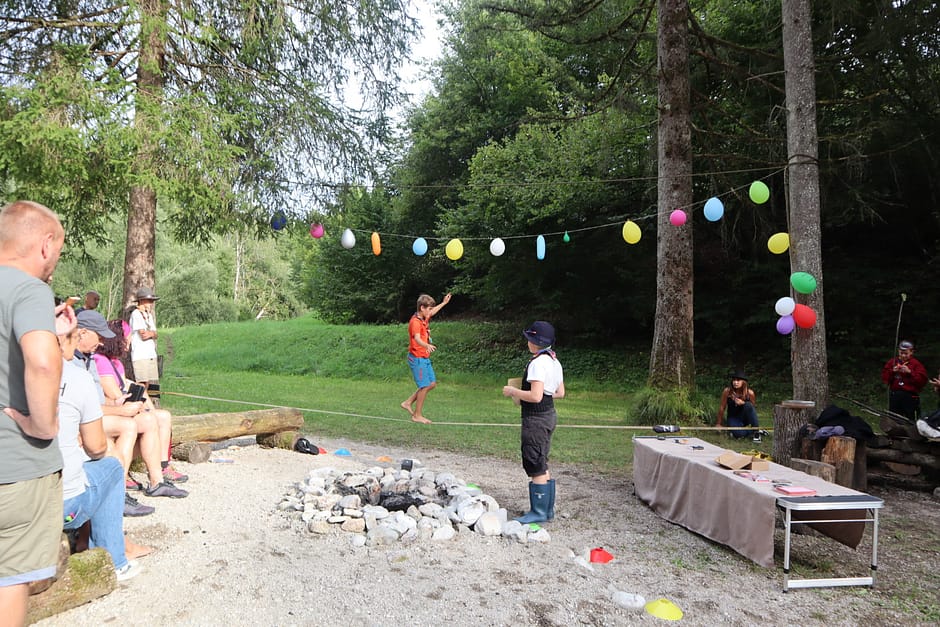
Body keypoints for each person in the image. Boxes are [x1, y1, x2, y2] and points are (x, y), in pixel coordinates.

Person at [0, 200, 73, 626]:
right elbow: (42, 362)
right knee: (9, 579)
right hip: (14, 468)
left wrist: (51, 331)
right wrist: (41, 425)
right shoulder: (29, 289)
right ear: (45, 245)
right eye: (58, 254)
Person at [56, 326, 148, 581]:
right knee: (112, 467)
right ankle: (114, 560)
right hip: (60, 506)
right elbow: (96, 448)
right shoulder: (73, 376)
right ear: (67, 339)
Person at [73, 310, 187, 502]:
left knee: (150, 419)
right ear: (82, 332)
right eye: (98, 337)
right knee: (129, 425)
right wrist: (120, 409)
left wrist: (117, 403)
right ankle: (118, 489)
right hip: (83, 421)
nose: (100, 342)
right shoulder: (83, 361)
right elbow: (83, 406)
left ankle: (157, 479)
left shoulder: (90, 359)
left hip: (98, 413)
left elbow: (99, 399)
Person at [94, 318, 188, 483]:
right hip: (115, 411)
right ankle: (147, 475)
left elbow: (123, 384)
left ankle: (163, 465)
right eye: (127, 339)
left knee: (163, 416)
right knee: (149, 420)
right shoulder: (101, 361)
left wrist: (143, 401)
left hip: (122, 407)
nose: (129, 344)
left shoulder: (116, 362)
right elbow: (116, 394)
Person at [502, 321, 564, 524]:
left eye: (529, 338)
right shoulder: (554, 361)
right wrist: (543, 396)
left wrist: (513, 392)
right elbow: (560, 393)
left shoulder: (537, 363)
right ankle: (547, 510)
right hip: (549, 415)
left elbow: (536, 396)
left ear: (534, 342)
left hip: (535, 419)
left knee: (534, 461)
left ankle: (538, 512)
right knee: (542, 459)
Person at [400, 292, 451, 424]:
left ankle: (408, 402)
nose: (430, 312)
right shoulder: (415, 322)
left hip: (424, 357)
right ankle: (417, 415)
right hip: (417, 358)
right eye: (428, 309)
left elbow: (433, 311)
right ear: (422, 308)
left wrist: (444, 303)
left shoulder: (424, 317)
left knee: (431, 384)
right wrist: (426, 344)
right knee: (424, 386)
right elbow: (416, 338)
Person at [129, 287, 161, 404]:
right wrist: (151, 334)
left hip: (149, 353)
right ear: (142, 301)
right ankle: (137, 404)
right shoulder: (136, 314)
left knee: (147, 382)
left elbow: (155, 333)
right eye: (150, 301)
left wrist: (151, 334)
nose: (151, 304)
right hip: (140, 354)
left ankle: (144, 403)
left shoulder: (149, 315)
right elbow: (143, 335)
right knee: (141, 382)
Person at [881, 340, 928, 420]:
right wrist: (892, 371)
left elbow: (922, 381)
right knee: (894, 419)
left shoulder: (916, 364)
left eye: (906, 353)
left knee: (910, 419)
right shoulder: (893, 362)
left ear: (912, 352)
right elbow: (885, 378)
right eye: (901, 353)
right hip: (895, 395)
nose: (903, 356)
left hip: (910, 396)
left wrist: (910, 372)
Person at [716, 370, 761, 441]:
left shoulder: (750, 393)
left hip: (745, 417)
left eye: (738, 380)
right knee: (739, 434)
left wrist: (743, 403)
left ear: (743, 382)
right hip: (733, 418)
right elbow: (722, 407)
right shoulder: (727, 391)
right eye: (734, 380)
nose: (735, 382)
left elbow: (752, 410)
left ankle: (756, 432)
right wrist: (718, 423)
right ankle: (753, 432)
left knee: (748, 405)